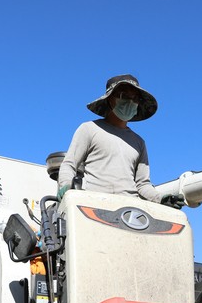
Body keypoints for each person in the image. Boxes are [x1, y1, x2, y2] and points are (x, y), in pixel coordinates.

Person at [57, 74, 183, 208]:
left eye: (135, 98)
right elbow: (69, 164)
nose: (130, 101)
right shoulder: (89, 129)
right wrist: (66, 186)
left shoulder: (139, 142)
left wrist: (161, 198)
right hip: (94, 205)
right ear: (110, 99)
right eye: (124, 96)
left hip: (130, 209)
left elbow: (142, 184)